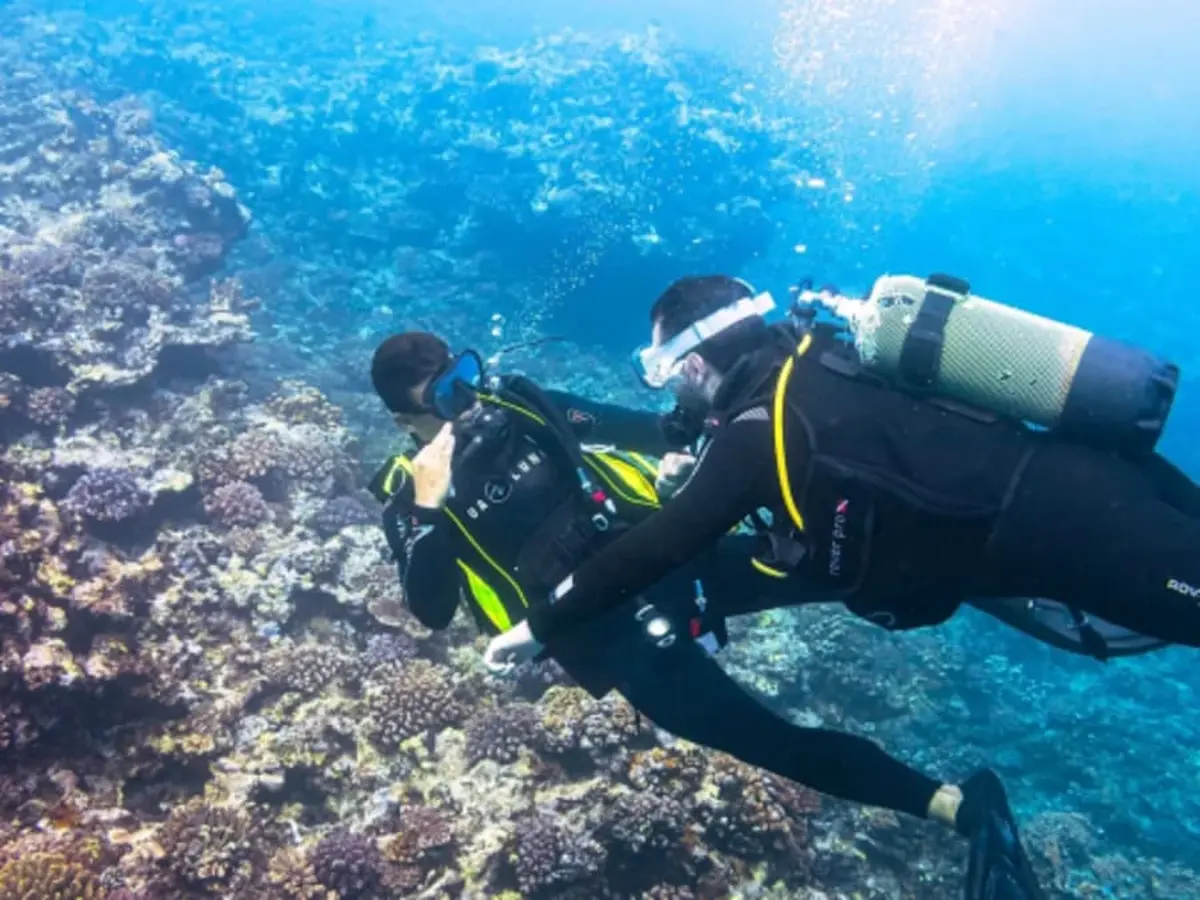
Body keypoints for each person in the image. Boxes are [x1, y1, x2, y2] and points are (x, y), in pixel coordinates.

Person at [481, 274, 1198, 898]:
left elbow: (650, 552)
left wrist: (538, 626)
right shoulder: (821, 351)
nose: (670, 391)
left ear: (695, 364)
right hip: (1101, 476)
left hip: (1085, 531)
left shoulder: (756, 435)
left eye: (666, 370)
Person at [368, 329, 1028, 888]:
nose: (472, 400)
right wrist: (429, 501)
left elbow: (636, 427)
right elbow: (428, 609)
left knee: (837, 566)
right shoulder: (409, 496)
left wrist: (701, 427)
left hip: (666, 557)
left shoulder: (522, 405)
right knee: (768, 740)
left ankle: (1007, 570)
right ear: (406, 422)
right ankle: (967, 810)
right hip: (603, 635)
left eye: (468, 373)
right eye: (447, 396)